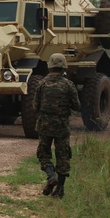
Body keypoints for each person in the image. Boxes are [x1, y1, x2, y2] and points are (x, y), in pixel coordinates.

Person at [33, 53, 80, 197]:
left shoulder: (41, 83)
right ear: (64, 67)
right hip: (62, 126)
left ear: (50, 66)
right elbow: (77, 106)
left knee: (44, 153)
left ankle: (50, 175)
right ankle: (60, 190)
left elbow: (35, 106)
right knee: (63, 156)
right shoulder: (68, 85)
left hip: (44, 125)